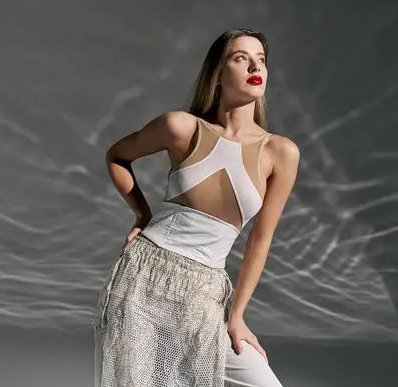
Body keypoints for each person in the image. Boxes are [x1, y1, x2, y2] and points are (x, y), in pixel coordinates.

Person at [92, 28, 300, 387]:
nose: (255, 66)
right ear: (217, 74)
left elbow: (260, 240)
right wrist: (142, 214)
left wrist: (237, 315)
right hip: (144, 276)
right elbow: (116, 156)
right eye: (241, 58)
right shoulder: (182, 127)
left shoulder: (280, 153)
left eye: (261, 60)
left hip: (205, 290)